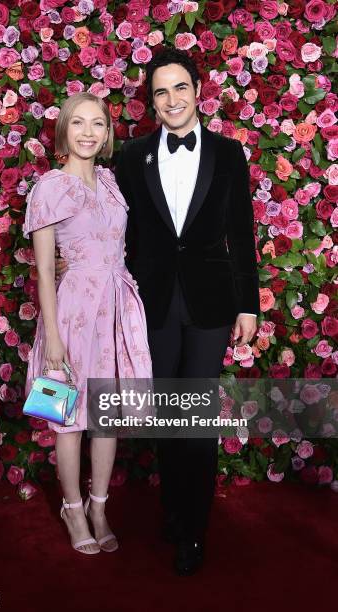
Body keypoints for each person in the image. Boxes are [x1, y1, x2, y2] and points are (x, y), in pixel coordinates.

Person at [56, 49, 260, 575]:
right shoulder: (131, 157)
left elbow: (242, 233)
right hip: (153, 303)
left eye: (180, 88)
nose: (172, 99)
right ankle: (173, 511)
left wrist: (248, 307)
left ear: (198, 91)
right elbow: (104, 225)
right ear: (153, 102)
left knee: (196, 418)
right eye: (161, 92)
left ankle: (194, 528)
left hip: (213, 304)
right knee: (168, 416)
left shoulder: (228, 153)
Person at [23, 92, 153, 556]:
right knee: (67, 418)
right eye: (77, 123)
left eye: (97, 124)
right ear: (63, 131)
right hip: (72, 311)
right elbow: (43, 270)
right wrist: (53, 339)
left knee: (106, 415)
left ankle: (100, 506)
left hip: (116, 307)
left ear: (107, 134)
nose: (87, 132)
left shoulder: (113, 182)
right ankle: (72, 508)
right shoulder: (49, 187)